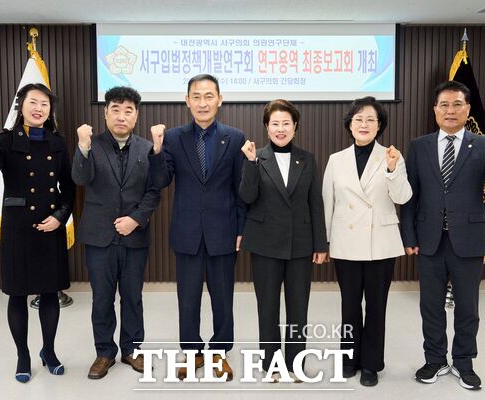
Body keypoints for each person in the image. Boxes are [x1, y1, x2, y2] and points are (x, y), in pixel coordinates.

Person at [401, 81, 485, 390]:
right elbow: (411, 195)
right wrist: (408, 236)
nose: (450, 110)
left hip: (468, 239)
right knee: (430, 305)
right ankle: (435, 359)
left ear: (467, 109)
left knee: (467, 307)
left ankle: (464, 362)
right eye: (444, 105)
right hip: (429, 239)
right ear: (435, 110)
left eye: (457, 104)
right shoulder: (419, 146)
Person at [0, 83, 75, 383]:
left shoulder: (58, 142)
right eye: (33, 102)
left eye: (45, 103)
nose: (39, 108)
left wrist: (60, 217)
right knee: (17, 294)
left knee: (49, 292)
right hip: (18, 229)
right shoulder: (6, 140)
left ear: (50, 109)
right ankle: (23, 355)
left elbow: (69, 187)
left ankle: (49, 351)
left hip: (50, 228)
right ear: (21, 106)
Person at [149, 74, 246, 381]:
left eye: (208, 96)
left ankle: (219, 352)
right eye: (196, 96)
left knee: (223, 298)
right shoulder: (174, 138)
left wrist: (241, 228)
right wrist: (156, 150)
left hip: (223, 231)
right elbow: (160, 180)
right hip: (187, 231)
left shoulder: (235, 137)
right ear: (187, 101)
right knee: (188, 299)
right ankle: (192, 353)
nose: (203, 103)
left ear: (220, 100)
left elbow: (241, 188)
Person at [322, 96, 412, 386]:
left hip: (380, 244)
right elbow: (328, 203)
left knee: (376, 306)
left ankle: (371, 364)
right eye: (358, 119)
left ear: (379, 125)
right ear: (350, 125)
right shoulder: (336, 160)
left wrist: (391, 170)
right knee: (349, 306)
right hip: (346, 242)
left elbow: (403, 197)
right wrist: (325, 243)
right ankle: (348, 359)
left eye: (370, 119)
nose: (364, 124)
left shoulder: (392, 156)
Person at [72, 86, 160, 379]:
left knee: (133, 297)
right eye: (116, 110)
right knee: (102, 298)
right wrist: (82, 146)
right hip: (99, 237)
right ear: (106, 113)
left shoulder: (146, 148)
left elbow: (153, 191)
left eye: (128, 111)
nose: (121, 116)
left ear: (136, 116)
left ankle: (132, 350)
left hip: (134, 237)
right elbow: (80, 178)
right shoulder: (92, 144)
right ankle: (104, 352)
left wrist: (136, 219)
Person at [239, 99, 328, 382]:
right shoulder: (255, 157)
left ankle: (295, 363)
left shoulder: (307, 158)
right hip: (265, 245)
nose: (280, 129)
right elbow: (247, 196)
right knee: (267, 308)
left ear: (295, 126)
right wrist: (250, 164)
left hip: (300, 245)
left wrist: (320, 244)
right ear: (266, 127)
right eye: (275, 123)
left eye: (286, 123)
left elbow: (315, 203)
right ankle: (272, 365)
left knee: (298, 308)